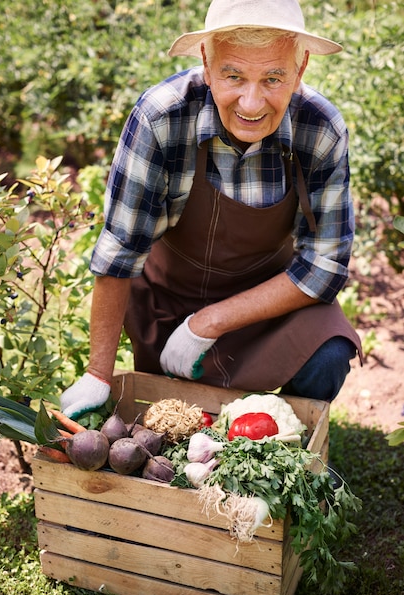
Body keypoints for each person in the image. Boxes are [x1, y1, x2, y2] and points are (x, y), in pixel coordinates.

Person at [60, 0, 363, 419]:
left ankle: (284, 439)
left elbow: (326, 265)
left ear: (301, 69)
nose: (252, 103)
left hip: (263, 310)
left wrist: (211, 321)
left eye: (273, 78)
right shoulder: (162, 117)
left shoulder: (320, 128)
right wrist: (97, 374)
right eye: (233, 76)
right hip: (165, 304)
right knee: (170, 426)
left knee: (329, 352)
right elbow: (121, 249)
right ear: (206, 62)